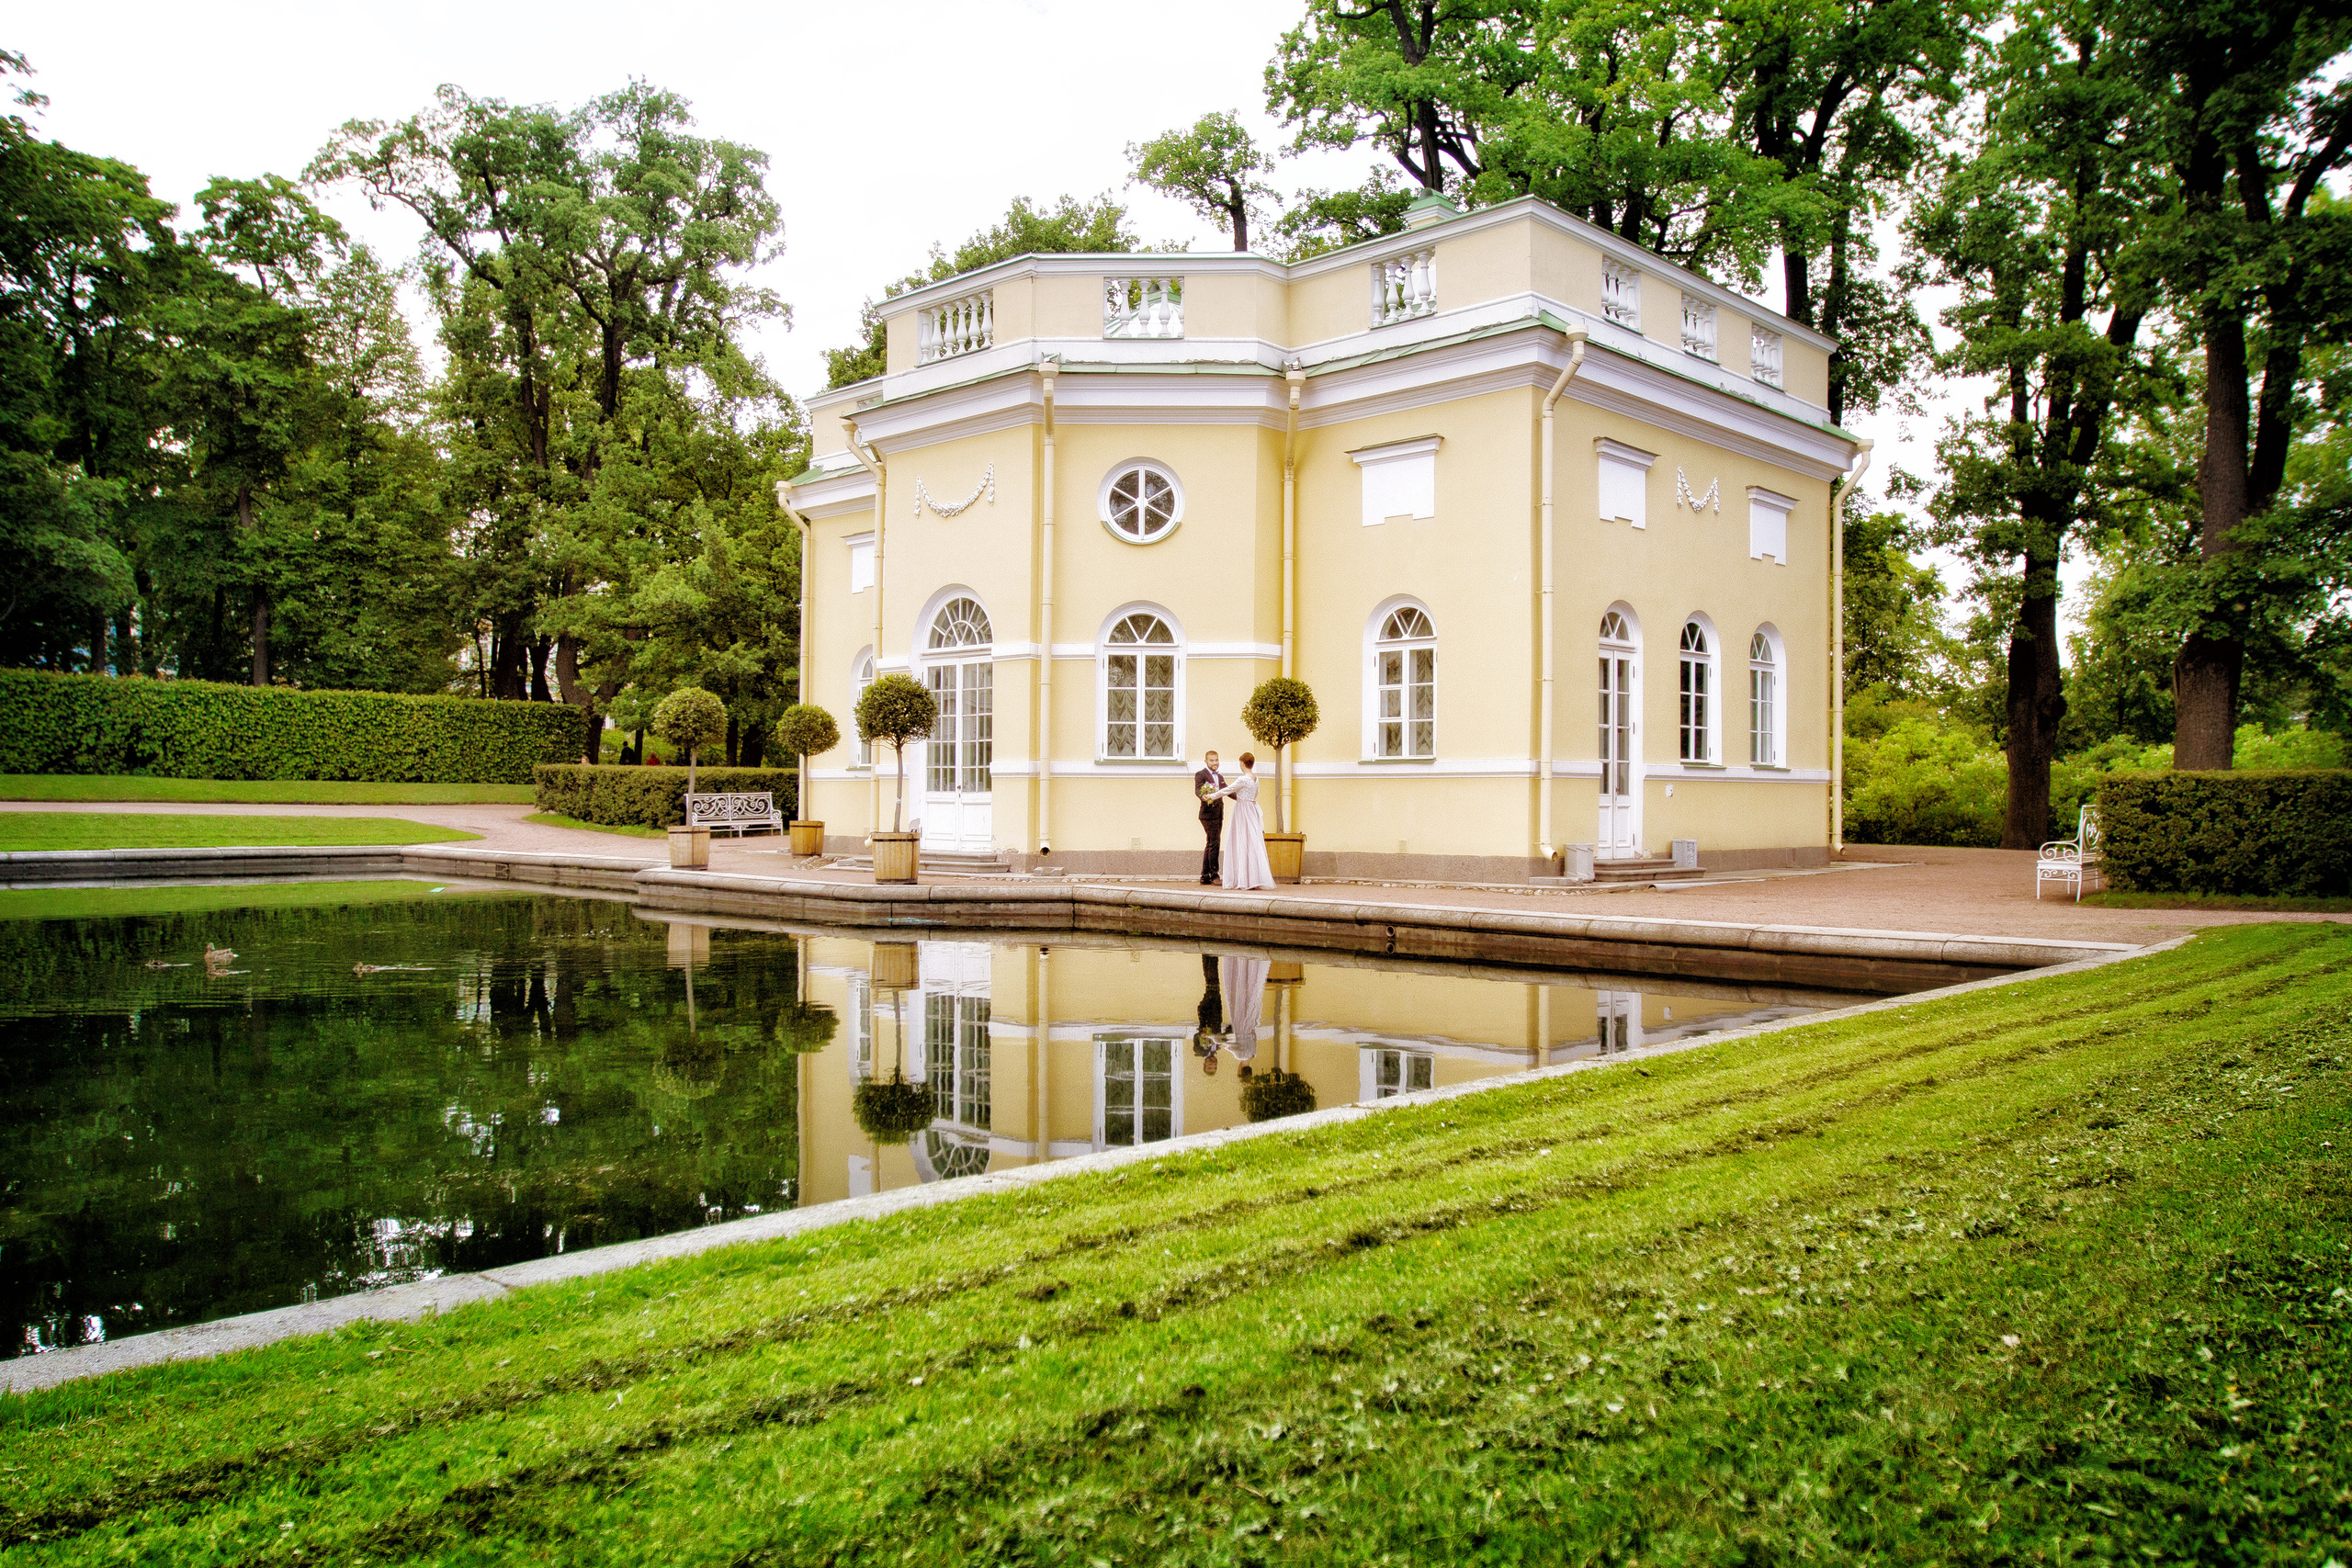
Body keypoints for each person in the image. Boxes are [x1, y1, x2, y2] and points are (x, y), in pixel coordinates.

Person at [1211, 752, 1276, 891]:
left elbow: (1227, 790)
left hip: (1242, 811)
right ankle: (1253, 878)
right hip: (1251, 809)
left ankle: (1244, 879)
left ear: (1242, 763)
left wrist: (1210, 796)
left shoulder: (1243, 779)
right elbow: (1256, 794)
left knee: (1241, 841)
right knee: (1252, 843)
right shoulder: (1255, 778)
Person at [1192, 750, 1225, 885]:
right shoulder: (1201, 774)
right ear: (1206, 762)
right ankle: (1214, 874)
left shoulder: (1220, 776)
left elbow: (1226, 790)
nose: (1214, 763)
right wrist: (1203, 796)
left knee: (1211, 843)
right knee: (1214, 842)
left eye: (1216, 760)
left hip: (1218, 813)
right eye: (1211, 760)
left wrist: (1241, 798)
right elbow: (1198, 789)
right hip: (1207, 814)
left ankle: (1205, 876)